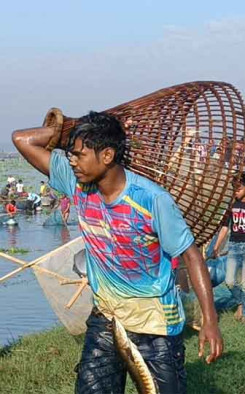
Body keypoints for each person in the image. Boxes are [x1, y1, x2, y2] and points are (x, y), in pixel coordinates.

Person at [12, 111, 223, 393]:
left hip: (154, 322)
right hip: (106, 318)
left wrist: (209, 320)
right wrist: (71, 128)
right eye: (70, 154)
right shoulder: (78, 185)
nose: (71, 161)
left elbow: (191, 255)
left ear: (107, 155)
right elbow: (22, 139)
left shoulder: (151, 199)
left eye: (79, 154)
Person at [212, 174, 245, 321]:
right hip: (233, 246)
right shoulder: (232, 205)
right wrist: (216, 247)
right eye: (234, 189)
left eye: (239, 189)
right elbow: (224, 227)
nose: (236, 192)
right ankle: (240, 302)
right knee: (229, 281)